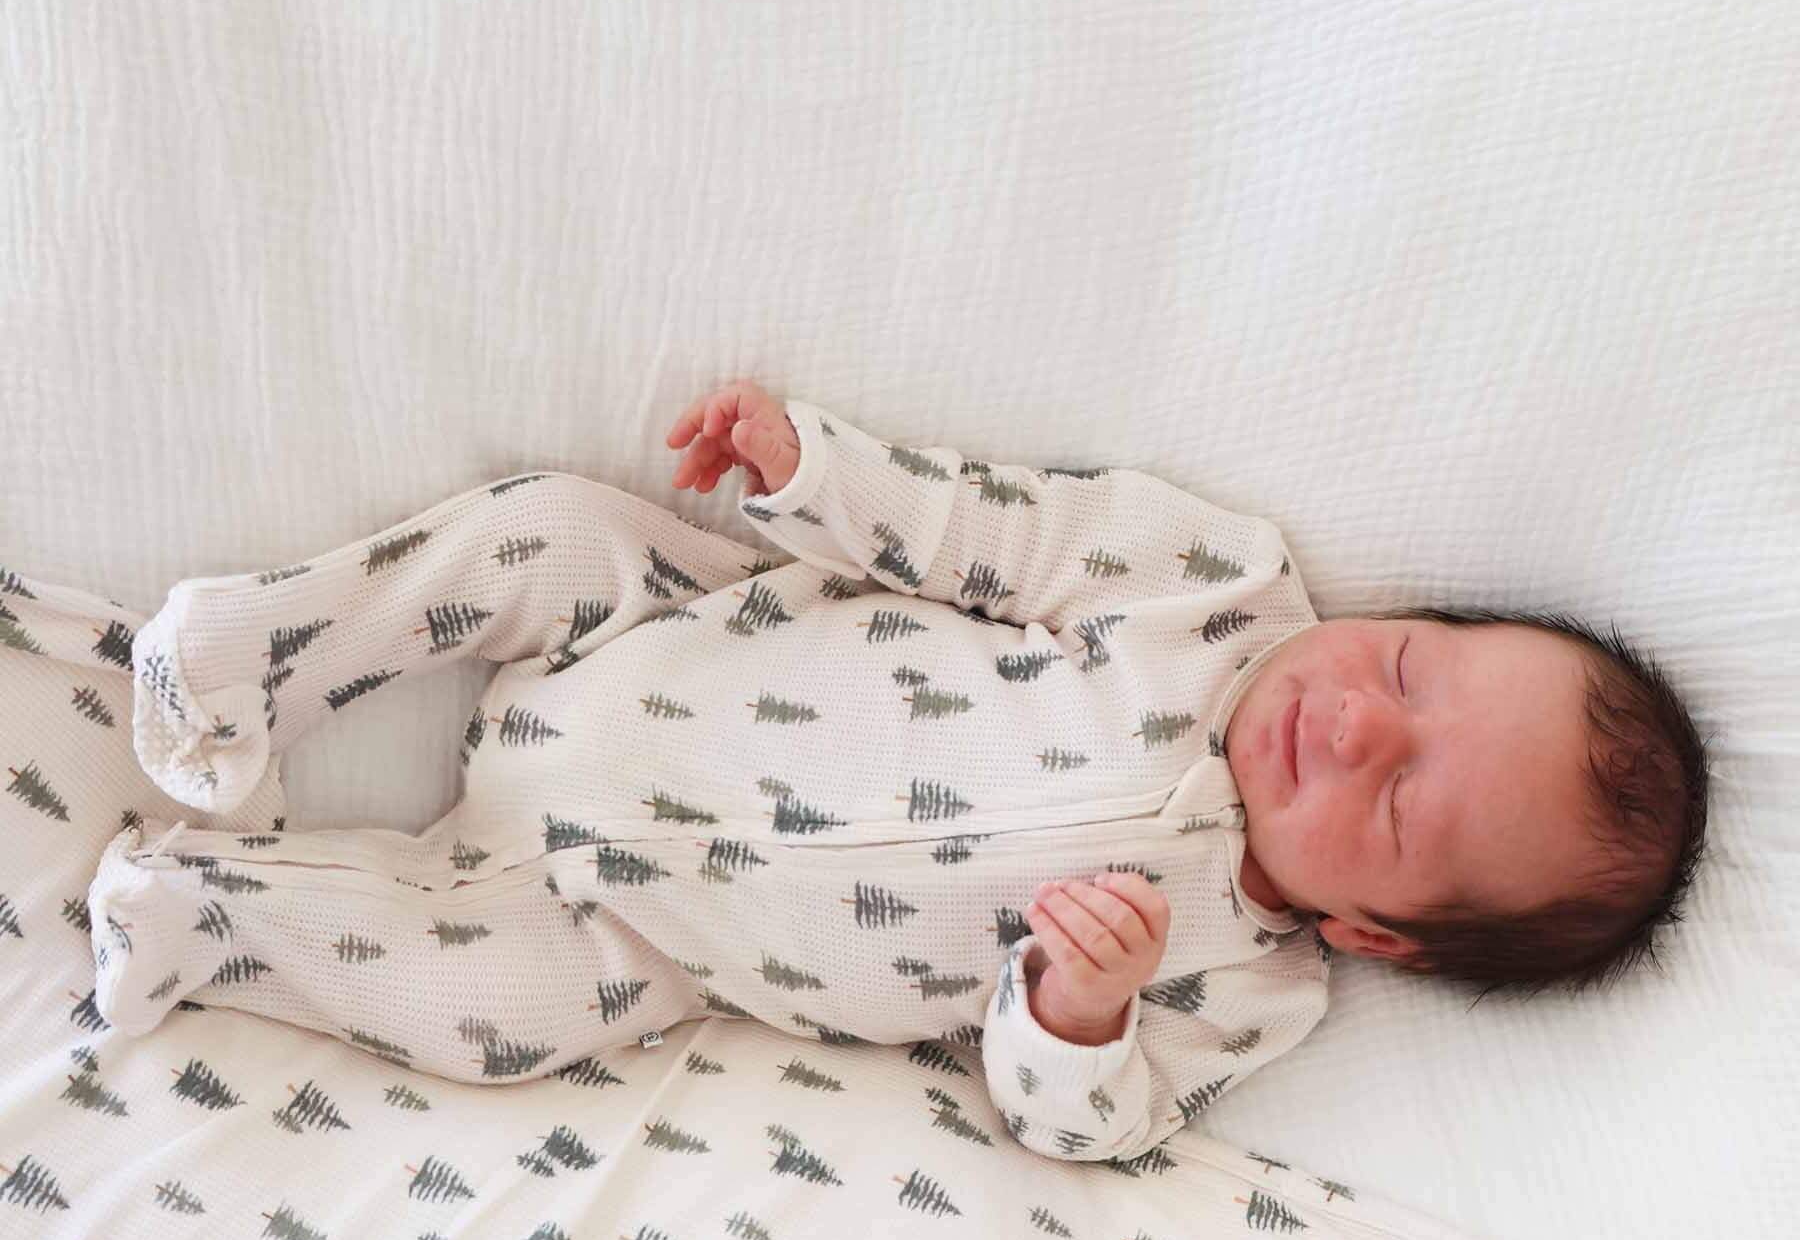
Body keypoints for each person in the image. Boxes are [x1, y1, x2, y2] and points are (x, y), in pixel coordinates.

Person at [86, 379, 1710, 1161]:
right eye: (1410, 668)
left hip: (635, 931)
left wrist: (1076, 1016)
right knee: (545, 529)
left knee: (485, 1014)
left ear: (1377, 935)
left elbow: (1085, 1129)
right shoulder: (1212, 590)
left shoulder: (1243, 988)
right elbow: (998, 531)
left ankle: (203, 910)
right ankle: (247, 655)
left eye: (1401, 803)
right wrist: (820, 474)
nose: (1353, 727)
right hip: (674, 633)